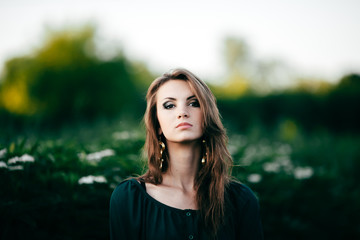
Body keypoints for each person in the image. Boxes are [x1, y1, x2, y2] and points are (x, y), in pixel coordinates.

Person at [110, 68, 263, 240]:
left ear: (207, 116)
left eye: (193, 103)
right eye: (169, 105)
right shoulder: (130, 198)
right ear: (157, 124)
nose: (182, 112)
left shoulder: (240, 200)